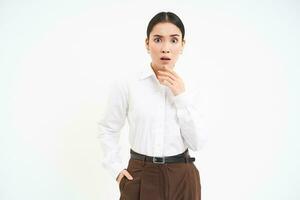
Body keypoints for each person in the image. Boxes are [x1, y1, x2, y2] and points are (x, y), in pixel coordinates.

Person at [97, 11, 208, 200]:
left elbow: (197, 143)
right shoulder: (127, 83)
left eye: (173, 40)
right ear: (147, 44)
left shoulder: (190, 86)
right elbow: (108, 128)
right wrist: (116, 170)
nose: (166, 48)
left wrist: (181, 96)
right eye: (158, 40)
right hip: (140, 174)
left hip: (182, 176)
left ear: (182, 45)